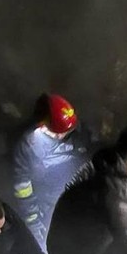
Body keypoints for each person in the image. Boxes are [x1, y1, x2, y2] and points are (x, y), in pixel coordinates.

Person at [10, 94, 92, 242]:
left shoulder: (80, 130)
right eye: (57, 133)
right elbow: (22, 185)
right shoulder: (29, 144)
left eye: (67, 131)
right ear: (41, 124)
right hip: (46, 193)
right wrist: (33, 221)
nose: (62, 136)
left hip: (77, 188)